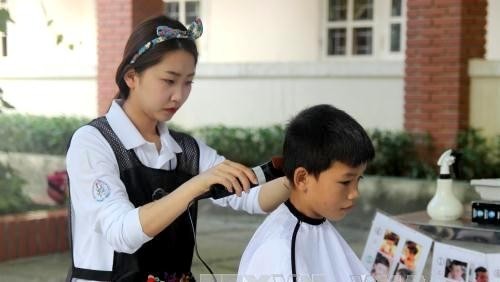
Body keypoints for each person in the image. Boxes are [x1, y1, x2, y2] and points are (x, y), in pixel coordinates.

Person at [66, 16, 290, 282]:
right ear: (131, 77)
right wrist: (197, 184)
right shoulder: (93, 143)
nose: (179, 96)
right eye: (169, 80)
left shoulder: (186, 150)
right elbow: (121, 232)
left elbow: (252, 196)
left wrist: (302, 175)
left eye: (188, 82)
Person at [237, 104, 375, 281]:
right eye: (346, 182)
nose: (355, 193)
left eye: (359, 180)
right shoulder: (281, 253)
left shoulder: (315, 224)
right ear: (302, 179)